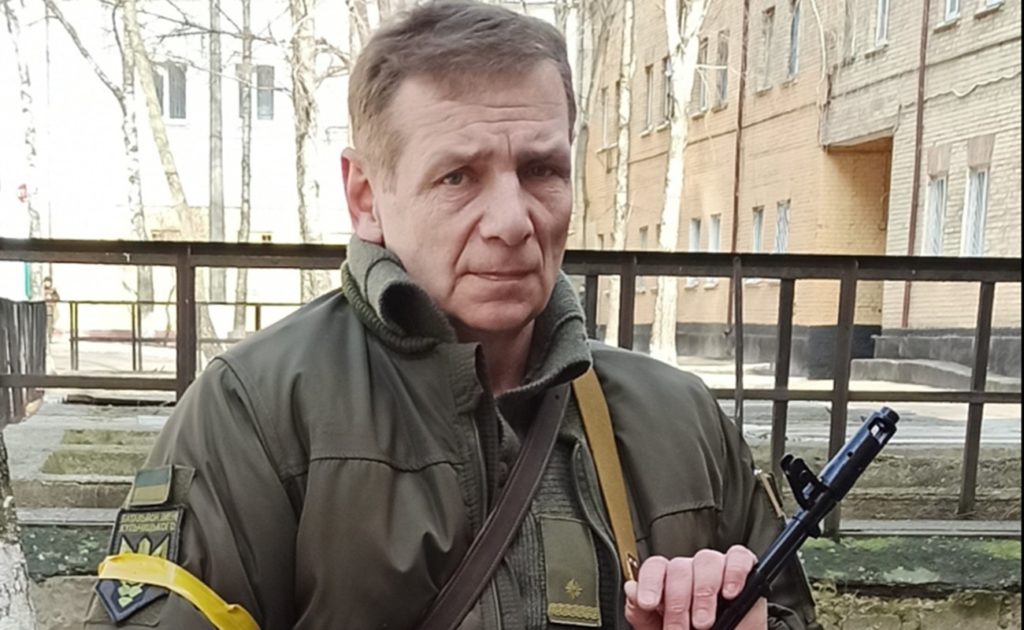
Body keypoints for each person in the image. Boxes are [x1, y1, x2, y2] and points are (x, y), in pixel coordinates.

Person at [84, 2, 820, 628]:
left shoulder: (680, 421)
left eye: (541, 170)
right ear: (366, 196)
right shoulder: (255, 414)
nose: (513, 221)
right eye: (458, 176)